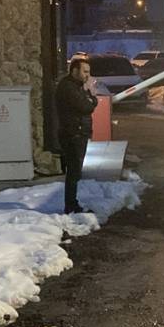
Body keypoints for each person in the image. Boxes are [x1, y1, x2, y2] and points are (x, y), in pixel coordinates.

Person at [55, 57, 99, 214]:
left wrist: (90, 97)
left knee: (75, 171)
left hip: (78, 132)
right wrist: (91, 96)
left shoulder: (78, 86)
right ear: (74, 71)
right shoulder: (68, 87)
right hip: (73, 134)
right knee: (73, 171)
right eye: (85, 71)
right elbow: (86, 106)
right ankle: (71, 205)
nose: (88, 75)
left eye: (89, 72)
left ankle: (72, 203)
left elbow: (91, 102)